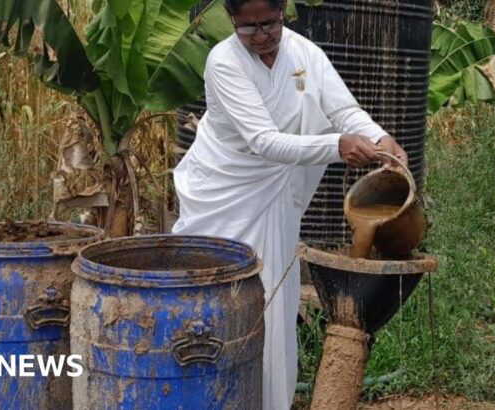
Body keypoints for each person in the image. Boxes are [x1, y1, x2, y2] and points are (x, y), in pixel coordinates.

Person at [172, 0, 408, 408]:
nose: (262, 35)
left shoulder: (304, 52)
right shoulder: (224, 62)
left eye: (270, 23)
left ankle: (266, 400)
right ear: (232, 21)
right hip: (225, 194)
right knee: (214, 303)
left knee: (272, 301)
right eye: (249, 28)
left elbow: (342, 109)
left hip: (275, 196)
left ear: (283, 12)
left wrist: (378, 137)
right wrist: (338, 146)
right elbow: (262, 141)